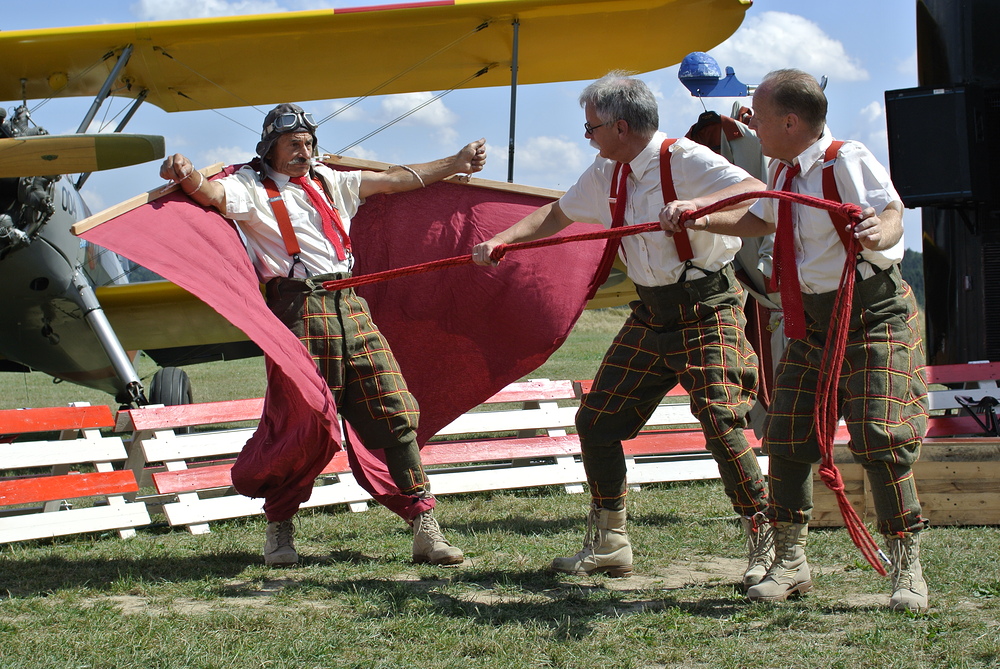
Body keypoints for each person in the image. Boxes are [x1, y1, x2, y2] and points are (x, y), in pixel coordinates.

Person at [472, 72, 770, 586]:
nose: (586, 137)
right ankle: (610, 542)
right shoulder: (607, 170)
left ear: (622, 126)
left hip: (708, 308)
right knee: (597, 423)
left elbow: (757, 193)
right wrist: (505, 240)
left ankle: (768, 542)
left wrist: (698, 210)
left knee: (721, 419)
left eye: (591, 128)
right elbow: (556, 214)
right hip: (652, 313)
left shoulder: (685, 159)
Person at [160, 103, 486, 567]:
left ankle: (423, 525)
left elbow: (397, 178)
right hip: (297, 310)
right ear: (271, 147)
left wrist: (453, 163)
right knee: (304, 423)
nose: (304, 151)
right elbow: (210, 195)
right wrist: (186, 173)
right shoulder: (249, 188)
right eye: (294, 144)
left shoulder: (332, 181)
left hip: (350, 305)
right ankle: (280, 528)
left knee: (394, 406)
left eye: (309, 144)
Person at [661, 69, 930, 612]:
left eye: (758, 115)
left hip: (873, 316)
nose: (750, 123)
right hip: (809, 324)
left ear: (789, 120)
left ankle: (907, 570)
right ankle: (791, 563)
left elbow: (894, 210)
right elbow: (759, 220)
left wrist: (881, 231)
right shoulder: (781, 171)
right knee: (785, 440)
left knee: (880, 437)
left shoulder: (845, 158)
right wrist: (701, 214)